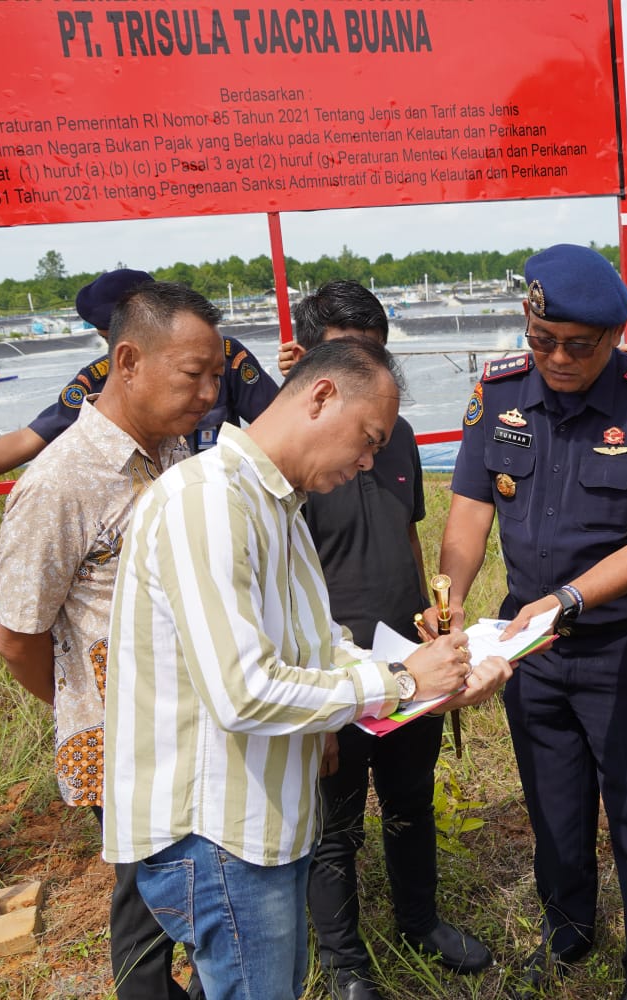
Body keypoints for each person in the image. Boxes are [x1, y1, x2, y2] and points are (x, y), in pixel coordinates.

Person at [102, 337, 511, 1000]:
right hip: (219, 835)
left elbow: (323, 648)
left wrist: (437, 677)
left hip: (263, 823)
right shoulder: (209, 502)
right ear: (321, 396)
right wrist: (405, 681)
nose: (370, 459)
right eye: (368, 438)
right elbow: (245, 692)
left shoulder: (277, 506)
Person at [437, 243, 627, 1000]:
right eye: (540, 340)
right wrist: (451, 590)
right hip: (531, 650)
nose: (555, 358)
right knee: (552, 799)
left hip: (625, 644)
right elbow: (469, 508)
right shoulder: (500, 393)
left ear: (615, 338)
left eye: (576, 347)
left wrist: (567, 600)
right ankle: (568, 931)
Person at [0, 282, 228, 999]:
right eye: (195, 375)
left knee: (182, 884)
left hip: (191, 721)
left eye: (217, 374)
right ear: (128, 361)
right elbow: (17, 639)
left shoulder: (175, 448)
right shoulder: (61, 483)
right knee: (146, 901)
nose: (211, 393)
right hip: (125, 738)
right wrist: (93, 710)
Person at [276, 281, 492, 999]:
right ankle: (345, 965)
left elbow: (404, 533)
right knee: (334, 825)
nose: (373, 381)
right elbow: (274, 586)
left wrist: (431, 615)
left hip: (407, 659)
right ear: (308, 365)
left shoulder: (392, 432)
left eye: (380, 358)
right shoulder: (282, 455)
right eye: (350, 358)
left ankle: (419, 923)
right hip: (332, 669)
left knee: (410, 801)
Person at [0, 268, 277, 500]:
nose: (205, 390)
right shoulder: (98, 379)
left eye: (211, 377)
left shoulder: (222, 356)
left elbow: (278, 427)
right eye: (107, 335)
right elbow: (29, 439)